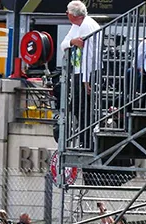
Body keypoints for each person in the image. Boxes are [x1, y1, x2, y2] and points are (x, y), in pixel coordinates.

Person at [59, 1, 100, 149]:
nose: (66, 14)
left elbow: (89, 55)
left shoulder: (87, 26)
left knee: (83, 108)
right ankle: (85, 138)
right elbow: (63, 45)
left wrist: (86, 80)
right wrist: (72, 41)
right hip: (78, 72)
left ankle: (88, 140)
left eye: (67, 12)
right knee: (76, 107)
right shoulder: (77, 26)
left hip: (86, 72)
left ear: (73, 15)